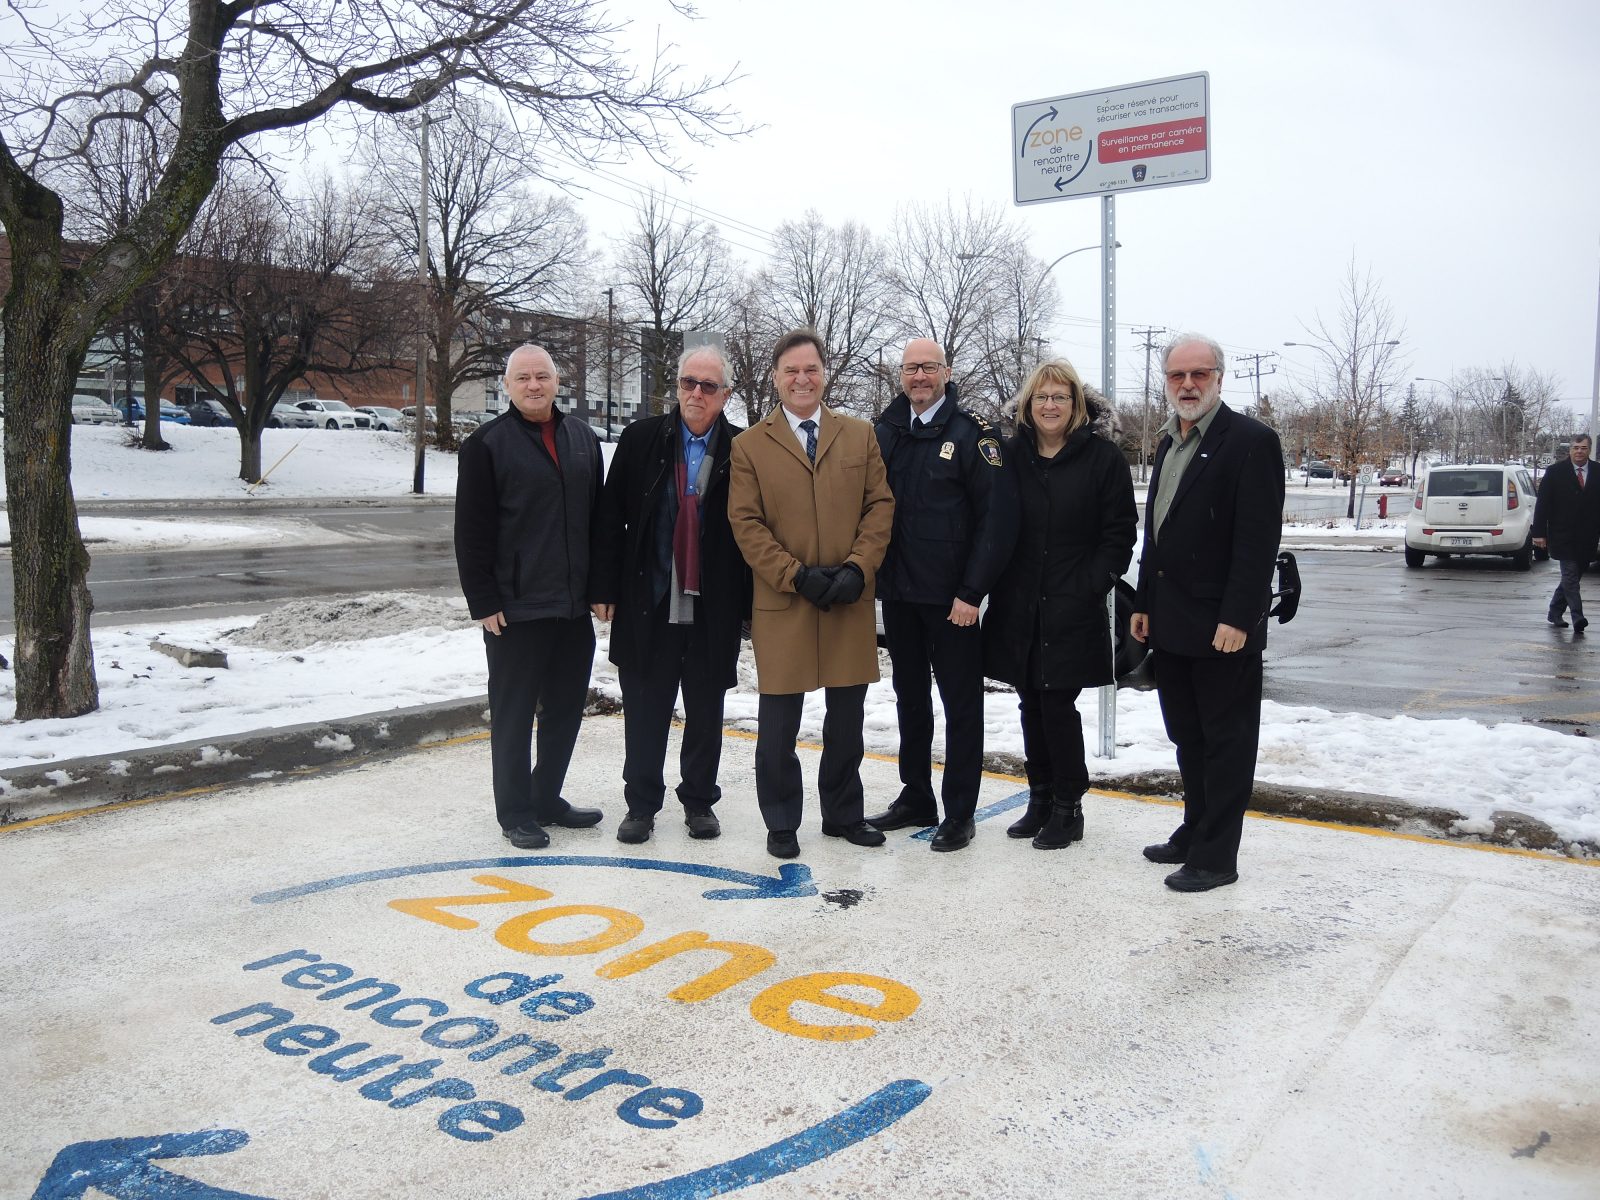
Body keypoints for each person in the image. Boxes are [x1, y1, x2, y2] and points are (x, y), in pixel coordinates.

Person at [728, 329, 896, 859]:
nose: (802, 379)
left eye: (811, 369)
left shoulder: (859, 435)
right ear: (776, 378)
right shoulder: (750, 444)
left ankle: (844, 813)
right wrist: (795, 575)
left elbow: (880, 506)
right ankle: (781, 820)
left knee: (846, 719)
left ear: (825, 374)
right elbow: (746, 522)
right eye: (791, 371)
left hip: (847, 599)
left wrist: (857, 568)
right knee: (779, 724)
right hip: (787, 601)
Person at [1130, 333, 1284, 892]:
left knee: (1226, 743)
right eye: (1177, 376)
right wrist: (1145, 602)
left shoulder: (1250, 442)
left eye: (1200, 374)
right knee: (1187, 737)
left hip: (1224, 629)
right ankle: (1195, 830)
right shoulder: (1170, 443)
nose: (1188, 385)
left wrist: (1240, 618)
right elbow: (1159, 533)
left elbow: (1257, 539)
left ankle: (1217, 857)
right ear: (1166, 382)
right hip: (1172, 623)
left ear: (1220, 377)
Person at [590, 345, 751, 844]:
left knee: (705, 711)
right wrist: (603, 586)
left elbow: (753, 533)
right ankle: (640, 805)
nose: (696, 394)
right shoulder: (641, 439)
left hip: (712, 607)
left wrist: (749, 608)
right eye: (688, 383)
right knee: (644, 708)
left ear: (725, 395)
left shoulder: (742, 450)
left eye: (708, 386)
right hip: (649, 599)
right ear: (676, 387)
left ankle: (700, 801)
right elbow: (609, 518)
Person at [866, 338, 1016, 852]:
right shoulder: (886, 431)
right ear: (901, 375)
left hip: (954, 603)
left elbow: (997, 520)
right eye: (911, 369)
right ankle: (916, 796)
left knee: (961, 706)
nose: (919, 377)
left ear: (946, 372)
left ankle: (960, 811)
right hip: (901, 596)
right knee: (910, 699)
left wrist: (972, 592)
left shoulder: (973, 435)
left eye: (929, 367)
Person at [454, 344, 605, 849]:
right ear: (508, 386)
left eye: (542, 376)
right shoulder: (486, 446)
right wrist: (484, 600)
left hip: (572, 606)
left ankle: (546, 798)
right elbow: (471, 532)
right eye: (523, 378)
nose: (534, 385)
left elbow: (598, 522)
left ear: (557, 381)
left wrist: (601, 588)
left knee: (565, 711)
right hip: (514, 610)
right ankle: (515, 811)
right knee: (515, 715)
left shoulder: (583, 439)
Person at [982, 360, 1137, 850]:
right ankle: (1041, 797)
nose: (1050, 405)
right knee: (1030, 701)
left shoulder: (1102, 459)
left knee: (1056, 704)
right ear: (1028, 405)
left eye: (1060, 397)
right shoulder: (1012, 455)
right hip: (1019, 603)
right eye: (1041, 397)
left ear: (1076, 405)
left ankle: (1070, 807)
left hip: (1072, 603)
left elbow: (1119, 534)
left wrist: (1091, 585)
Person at [1532, 433, 1600, 635]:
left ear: (1589, 449)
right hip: (1562, 535)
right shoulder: (1554, 472)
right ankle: (1578, 617)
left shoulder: (1597, 471)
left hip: (1588, 537)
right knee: (1570, 576)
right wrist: (1538, 533)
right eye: (1576, 447)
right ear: (1569, 449)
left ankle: (1554, 611)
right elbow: (1542, 504)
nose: (1579, 451)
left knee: (1573, 577)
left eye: (1583, 448)